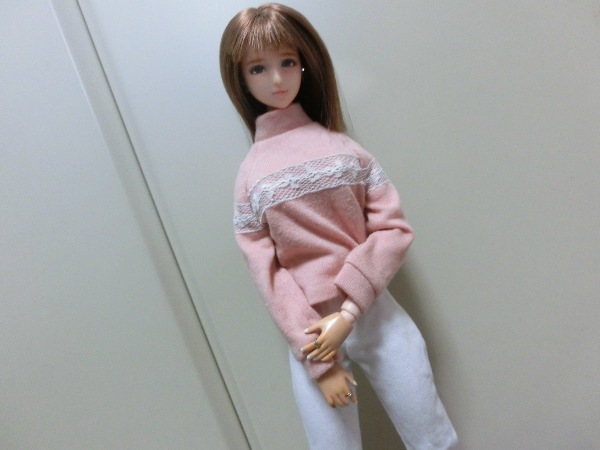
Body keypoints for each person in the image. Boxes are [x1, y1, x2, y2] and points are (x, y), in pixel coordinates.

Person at [219, 3, 458, 449]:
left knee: (432, 437)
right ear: (241, 79)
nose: (277, 79)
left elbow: (392, 230)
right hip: (310, 333)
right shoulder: (251, 176)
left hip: (374, 311)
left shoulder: (345, 150)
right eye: (258, 68)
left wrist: (349, 311)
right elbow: (267, 273)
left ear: (306, 63)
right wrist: (319, 362)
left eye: (287, 62)